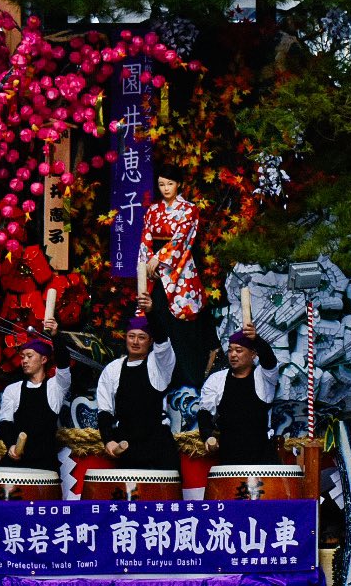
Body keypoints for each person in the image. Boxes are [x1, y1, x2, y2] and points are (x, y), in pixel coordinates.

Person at [96, 291, 180, 470]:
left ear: (150, 341)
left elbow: (163, 341)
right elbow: (105, 411)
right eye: (131, 336)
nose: (135, 341)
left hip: (158, 446)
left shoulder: (159, 365)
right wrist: (108, 440)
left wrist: (151, 312)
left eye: (141, 337)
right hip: (126, 444)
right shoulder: (113, 370)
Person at [140, 172, 210, 387]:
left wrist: (158, 258)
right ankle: (162, 383)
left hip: (180, 271)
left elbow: (182, 239)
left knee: (184, 329)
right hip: (156, 273)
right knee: (159, 323)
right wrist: (145, 268)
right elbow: (146, 239)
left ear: (178, 183)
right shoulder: (153, 210)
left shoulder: (189, 209)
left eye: (170, 183)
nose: (166, 188)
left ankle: (191, 380)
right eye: (161, 184)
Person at [0, 314, 71, 473]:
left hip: (46, 466)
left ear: (44, 359)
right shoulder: (12, 390)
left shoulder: (56, 387)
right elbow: (5, 424)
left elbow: (64, 362)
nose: (24, 360)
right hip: (17, 464)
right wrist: (11, 446)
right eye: (22, 356)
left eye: (30, 356)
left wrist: (55, 335)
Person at [198, 324, 279, 465]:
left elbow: (269, 361)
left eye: (239, 350)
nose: (233, 354)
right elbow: (204, 413)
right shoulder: (217, 380)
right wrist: (207, 437)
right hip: (229, 456)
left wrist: (257, 339)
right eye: (230, 351)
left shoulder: (264, 377)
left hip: (262, 457)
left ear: (253, 354)